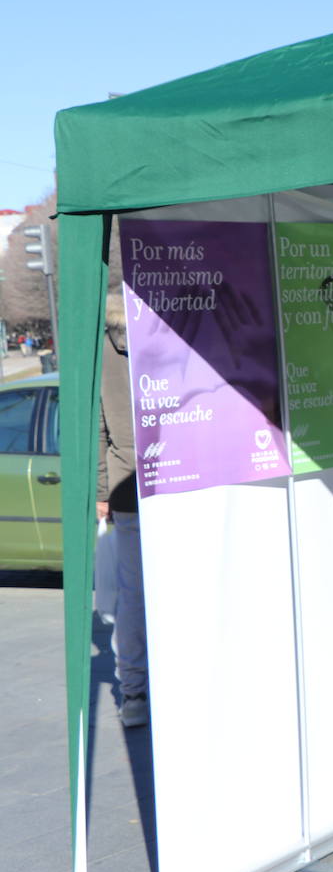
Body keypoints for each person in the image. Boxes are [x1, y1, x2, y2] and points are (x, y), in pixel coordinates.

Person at [97, 290, 150, 728]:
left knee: (133, 594)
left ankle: (134, 691)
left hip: (124, 482)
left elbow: (96, 426)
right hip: (177, 478)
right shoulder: (166, 331)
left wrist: (100, 490)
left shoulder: (100, 348)